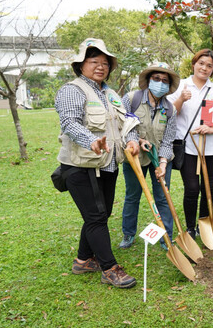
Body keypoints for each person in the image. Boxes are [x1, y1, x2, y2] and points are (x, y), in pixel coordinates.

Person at [55, 38, 139, 288]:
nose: (101, 67)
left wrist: (133, 140)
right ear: (81, 65)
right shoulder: (72, 90)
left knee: (101, 215)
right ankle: (109, 267)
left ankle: (83, 261)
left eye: (105, 63)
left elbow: (129, 121)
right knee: (96, 217)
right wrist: (91, 140)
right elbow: (70, 123)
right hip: (82, 167)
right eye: (94, 62)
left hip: (108, 165)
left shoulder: (111, 93)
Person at [167, 49, 213, 239]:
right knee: (192, 188)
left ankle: (204, 222)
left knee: (209, 187)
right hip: (187, 148)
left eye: (209, 66)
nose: (204, 68)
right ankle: (190, 227)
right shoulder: (181, 86)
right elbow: (169, 114)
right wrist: (181, 99)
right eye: (201, 63)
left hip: (211, 149)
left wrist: (212, 129)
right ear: (194, 64)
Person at [118, 63, 179, 250]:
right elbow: (123, 125)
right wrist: (136, 140)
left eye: (164, 81)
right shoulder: (131, 99)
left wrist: (162, 164)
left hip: (159, 157)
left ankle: (166, 236)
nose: (160, 83)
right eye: (156, 79)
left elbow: (168, 141)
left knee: (162, 197)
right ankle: (128, 234)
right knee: (132, 195)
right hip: (134, 155)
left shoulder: (170, 109)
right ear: (148, 80)